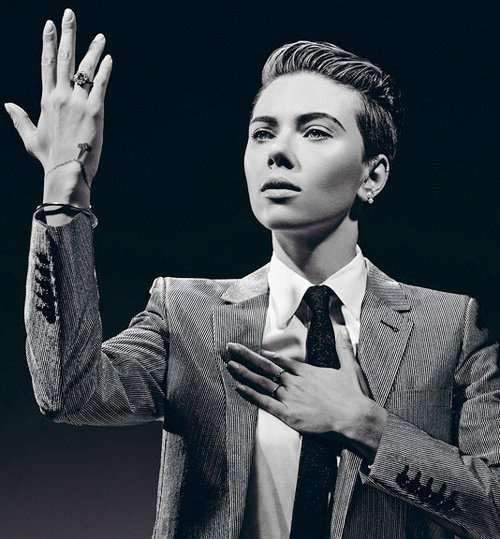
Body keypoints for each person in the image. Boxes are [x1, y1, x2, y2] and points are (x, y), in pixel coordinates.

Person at [6, 8, 500, 539]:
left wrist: (365, 425)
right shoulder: (187, 315)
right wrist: (62, 193)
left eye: (315, 132)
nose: (278, 152)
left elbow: (493, 505)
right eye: (262, 133)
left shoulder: (450, 328)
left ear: (372, 176)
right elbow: (70, 393)